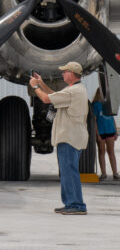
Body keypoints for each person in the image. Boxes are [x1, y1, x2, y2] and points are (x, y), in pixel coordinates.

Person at [30, 62, 89, 215]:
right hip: (72, 136)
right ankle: (73, 203)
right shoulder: (75, 90)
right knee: (69, 171)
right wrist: (42, 83)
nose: (62, 74)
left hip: (69, 137)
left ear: (71, 73)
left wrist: (35, 87)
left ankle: (75, 204)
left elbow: (46, 99)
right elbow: (54, 96)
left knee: (68, 171)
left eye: (64, 72)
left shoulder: (72, 92)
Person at [92, 88, 119, 180]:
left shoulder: (109, 104)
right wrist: (97, 134)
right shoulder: (95, 105)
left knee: (111, 152)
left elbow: (112, 117)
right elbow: (94, 120)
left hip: (110, 130)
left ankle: (115, 173)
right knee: (101, 151)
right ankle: (104, 173)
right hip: (101, 132)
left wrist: (115, 131)